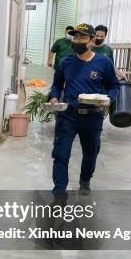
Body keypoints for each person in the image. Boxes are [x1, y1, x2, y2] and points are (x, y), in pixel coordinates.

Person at [48, 23, 120, 197]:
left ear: (92, 40)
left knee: (90, 153)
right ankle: (59, 190)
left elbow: (113, 86)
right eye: (75, 37)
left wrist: (109, 98)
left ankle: (85, 180)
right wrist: (54, 97)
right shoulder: (66, 62)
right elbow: (57, 85)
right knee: (61, 153)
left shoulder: (103, 62)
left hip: (93, 116)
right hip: (67, 115)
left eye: (82, 37)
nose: (77, 40)